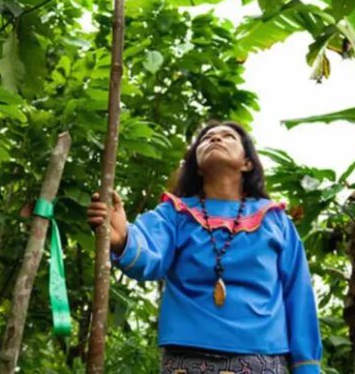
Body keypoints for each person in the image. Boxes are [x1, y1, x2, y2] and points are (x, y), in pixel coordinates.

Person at [88, 121, 322, 374]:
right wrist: (121, 238)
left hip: (262, 357)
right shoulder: (175, 213)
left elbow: (298, 293)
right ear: (197, 166)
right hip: (186, 358)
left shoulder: (275, 220)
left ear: (247, 163)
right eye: (206, 138)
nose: (215, 139)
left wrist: (307, 366)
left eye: (228, 136)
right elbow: (147, 249)